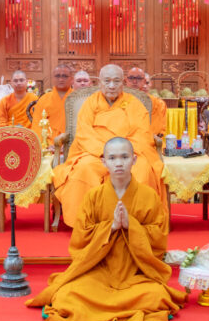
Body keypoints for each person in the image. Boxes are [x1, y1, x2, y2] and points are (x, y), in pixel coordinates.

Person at [27, 137, 186, 321]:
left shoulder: (149, 196)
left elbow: (159, 238)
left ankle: (105, 306)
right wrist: (110, 227)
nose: (119, 163)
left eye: (124, 157)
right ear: (103, 162)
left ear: (134, 160)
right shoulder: (93, 197)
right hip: (98, 271)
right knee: (65, 296)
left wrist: (131, 226)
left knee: (157, 296)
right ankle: (119, 305)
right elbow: (80, 239)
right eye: (112, 158)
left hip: (136, 273)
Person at [53, 64, 166, 228]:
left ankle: (135, 221)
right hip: (96, 153)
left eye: (116, 81)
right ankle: (88, 222)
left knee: (142, 169)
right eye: (107, 81)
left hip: (128, 153)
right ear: (100, 82)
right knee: (84, 169)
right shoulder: (90, 103)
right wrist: (105, 154)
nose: (112, 86)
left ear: (123, 83)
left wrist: (122, 154)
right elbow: (84, 132)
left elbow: (142, 133)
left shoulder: (134, 104)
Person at [31, 64, 72, 144]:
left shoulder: (76, 99)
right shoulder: (44, 99)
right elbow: (36, 125)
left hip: (71, 142)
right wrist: (44, 144)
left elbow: (83, 125)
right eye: (57, 76)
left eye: (64, 76)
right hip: (48, 142)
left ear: (71, 79)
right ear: (53, 79)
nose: (61, 79)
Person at [126, 67, 166, 136]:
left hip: (146, 137)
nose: (134, 81)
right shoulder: (120, 97)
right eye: (131, 78)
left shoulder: (157, 103)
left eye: (139, 79)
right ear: (126, 80)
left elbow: (157, 128)